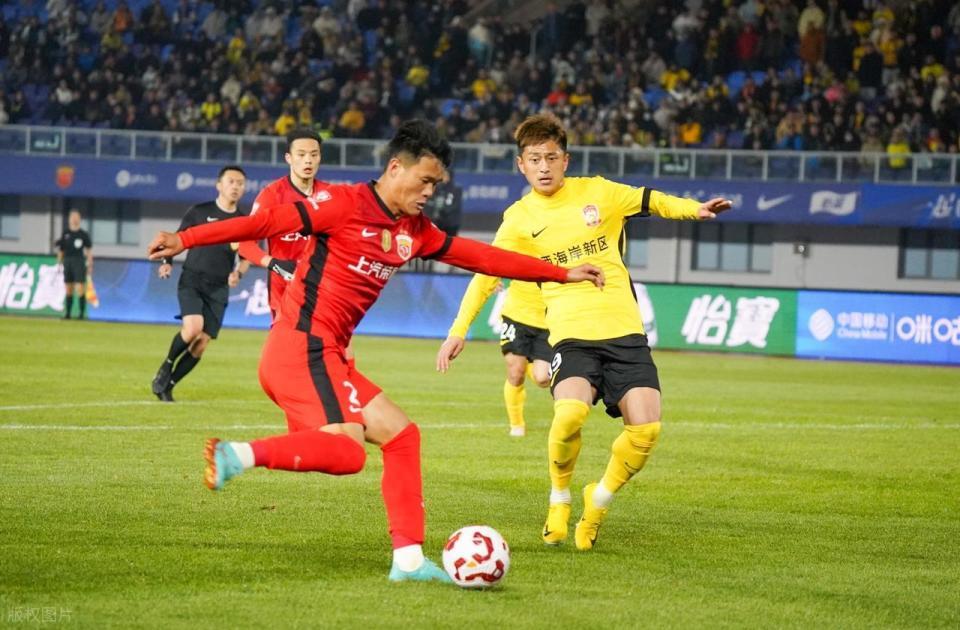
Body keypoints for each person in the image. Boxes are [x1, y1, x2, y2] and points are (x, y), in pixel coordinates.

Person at [146, 120, 604, 583]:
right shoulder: (344, 204)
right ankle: (237, 455)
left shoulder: (414, 230)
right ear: (395, 168)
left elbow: (481, 256)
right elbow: (265, 223)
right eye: (425, 181)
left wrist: (560, 273)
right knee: (349, 453)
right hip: (300, 346)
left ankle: (408, 560)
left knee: (403, 437)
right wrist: (184, 239)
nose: (430, 193)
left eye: (436, 184)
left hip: (328, 354)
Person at [436, 113, 731, 551]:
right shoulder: (519, 218)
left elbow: (650, 200)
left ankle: (599, 500)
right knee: (569, 414)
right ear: (521, 165)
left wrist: (694, 209)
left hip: (625, 331)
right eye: (534, 159)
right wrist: (458, 329)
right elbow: (486, 273)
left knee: (647, 432)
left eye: (551, 157)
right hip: (571, 335)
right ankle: (559, 498)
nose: (543, 167)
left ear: (566, 160)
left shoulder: (598, 192)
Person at [150, 165, 251, 402]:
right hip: (193, 280)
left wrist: (238, 273)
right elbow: (175, 240)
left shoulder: (245, 222)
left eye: (240, 183)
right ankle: (166, 365)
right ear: (219, 185)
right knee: (193, 328)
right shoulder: (199, 212)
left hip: (219, 287)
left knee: (202, 343)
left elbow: (247, 257)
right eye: (231, 182)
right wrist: (167, 262)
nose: (235, 187)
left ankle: (168, 386)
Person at [238, 128, 329, 321]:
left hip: (324, 289)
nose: (308, 160)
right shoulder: (272, 195)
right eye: (301, 154)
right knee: (287, 340)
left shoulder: (330, 196)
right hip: (284, 291)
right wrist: (275, 264)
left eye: (314, 155)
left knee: (336, 340)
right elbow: (245, 245)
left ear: (320, 158)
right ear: (289, 158)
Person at [446, 278, 551, 437]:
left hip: (549, 321)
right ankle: (517, 425)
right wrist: (494, 275)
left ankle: (528, 366)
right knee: (515, 372)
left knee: (542, 378)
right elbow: (489, 269)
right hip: (516, 315)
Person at [55, 209, 93, 320]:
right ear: (69, 219)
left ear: (79, 219)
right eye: (72, 217)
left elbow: (88, 250)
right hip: (67, 261)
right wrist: (59, 262)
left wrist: (90, 264)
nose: (74, 219)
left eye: (77, 217)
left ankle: (81, 314)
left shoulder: (83, 234)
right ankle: (68, 314)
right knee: (68, 288)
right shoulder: (66, 233)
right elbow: (61, 249)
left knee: (80, 287)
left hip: (79, 261)